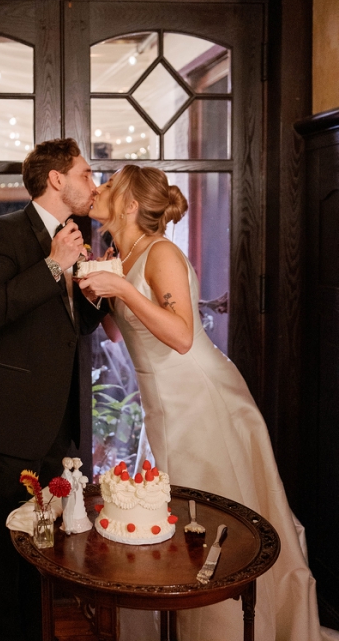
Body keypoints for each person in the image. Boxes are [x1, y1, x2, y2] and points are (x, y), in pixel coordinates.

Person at [79, 165, 326, 640]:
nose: (97, 189)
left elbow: (182, 335)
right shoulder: (119, 253)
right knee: (175, 524)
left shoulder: (161, 252)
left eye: (108, 185)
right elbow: (123, 332)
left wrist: (123, 289)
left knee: (214, 523)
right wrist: (96, 287)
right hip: (162, 403)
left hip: (199, 398)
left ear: (130, 205)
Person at [0, 137, 107, 640]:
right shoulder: (1, 232)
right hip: (12, 421)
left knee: (46, 551)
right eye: (86, 174)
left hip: (61, 421)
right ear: (57, 179)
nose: (94, 184)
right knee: (4, 557)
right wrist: (52, 265)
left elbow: (73, 330)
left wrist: (94, 293)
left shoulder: (78, 237)